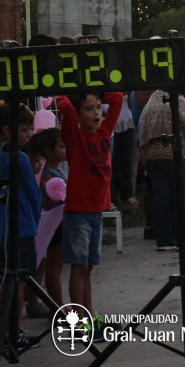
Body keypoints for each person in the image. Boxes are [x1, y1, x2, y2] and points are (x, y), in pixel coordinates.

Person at [56, 90, 123, 338]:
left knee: (88, 268)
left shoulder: (105, 132)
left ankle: (89, 317)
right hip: (78, 211)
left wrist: (96, 87)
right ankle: (78, 323)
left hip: (96, 211)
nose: (96, 113)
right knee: (79, 267)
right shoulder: (75, 137)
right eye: (88, 109)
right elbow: (63, 104)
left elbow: (116, 100)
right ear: (78, 114)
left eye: (97, 108)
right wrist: (72, 91)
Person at [138, 88, 185, 251]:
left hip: (154, 156)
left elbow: (142, 129)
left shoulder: (151, 102)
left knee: (161, 198)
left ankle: (164, 239)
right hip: (179, 153)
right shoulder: (177, 100)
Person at [0, 102, 41, 349]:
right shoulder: (20, 159)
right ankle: (14, 333)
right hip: (21, 230)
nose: (29, 135)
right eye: (25, 130)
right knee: (19, 282)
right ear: (7, 131)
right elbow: (33, 195)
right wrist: (35, 219)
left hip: (1, 234)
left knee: (3, 281)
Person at [31, 127, 66, 312]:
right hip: (53, 225)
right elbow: (53, 201)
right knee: (54, 265)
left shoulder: (55, 170)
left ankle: (41, 304)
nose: (66, 149)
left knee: (49, 264)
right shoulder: (50, 175)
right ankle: (57, 308)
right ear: (49, 151)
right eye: (62, 146)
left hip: (56, 224)